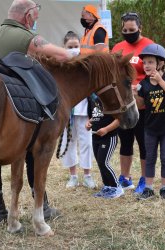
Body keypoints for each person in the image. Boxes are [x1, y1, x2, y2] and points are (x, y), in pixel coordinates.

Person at [0, 0, 70, 225]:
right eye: (35, 18)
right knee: (32, 151)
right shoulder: (29, 37)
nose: (34, 22)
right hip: (16, 102)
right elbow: (63, 56)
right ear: (28, 17)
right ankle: (42, 206)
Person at [111, 12, 154, 194]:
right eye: (125, 30)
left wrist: (140, 87)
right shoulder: (118, 47)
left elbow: (153, 73)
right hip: (124, 105)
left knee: (144, 143)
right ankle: (125, 177)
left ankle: (144, 179)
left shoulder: (149, 46)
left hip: (143, 104)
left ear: (140, 28)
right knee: (125, 141)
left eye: (132, 30)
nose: (128, 32)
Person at [134, 44, 165, 200]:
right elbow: (141, 106)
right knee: (150, 158)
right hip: (150, 127)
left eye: (150, 62)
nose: (146, 65)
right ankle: (148, 188)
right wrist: (135, 94)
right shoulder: (144, 84)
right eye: (144, 62)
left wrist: (160, 80)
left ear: (160, 63)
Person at [59, 31, 95, 189]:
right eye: (70, 47)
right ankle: (73, 176)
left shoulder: (86, 64)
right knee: (68, 143)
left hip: (84, 110)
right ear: (64, 47)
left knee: (86, 142)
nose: (73, 49)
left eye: (76, 46)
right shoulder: (60, 65)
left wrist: (94, 112)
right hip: (67, 111)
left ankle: (87, 175)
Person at [85, 94, 124, 199]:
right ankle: (107, 186)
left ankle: (117, 187)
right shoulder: (92, 98)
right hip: (95, 136)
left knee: (104, 162)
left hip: (109, 137)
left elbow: (119, 120)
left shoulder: (111, 98)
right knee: (100, 163)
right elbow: (95, 115)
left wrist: (106, 129)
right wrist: (89, 123)